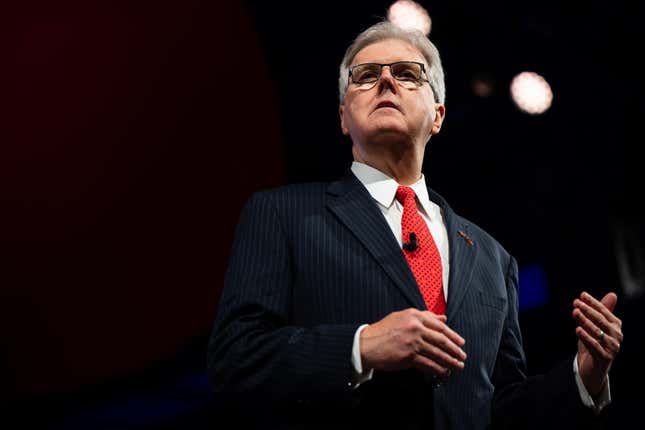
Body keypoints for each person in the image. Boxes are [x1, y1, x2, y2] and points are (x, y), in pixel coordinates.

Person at [207, 20, 622, 430]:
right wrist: (361, 346)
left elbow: (496, 406)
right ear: (342, 117)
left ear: (438, 115)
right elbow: (235, 358)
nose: (386, 80)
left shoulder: (494, 258)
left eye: (407, 74)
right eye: (366, 76)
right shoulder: (283, 214)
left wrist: (582, 378)